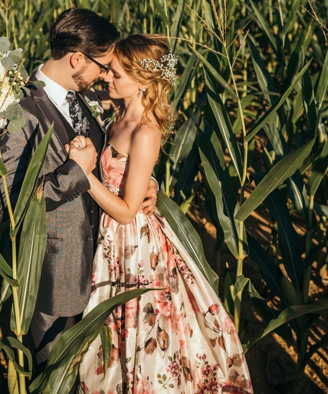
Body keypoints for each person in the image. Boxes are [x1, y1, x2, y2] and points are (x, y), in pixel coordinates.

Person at [76, 34, 254, 394]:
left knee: (136, 324)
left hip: (132, 244)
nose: (107, 77)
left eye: (116, 74)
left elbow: (127, 211)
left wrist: (83, 175)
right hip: (110, 238)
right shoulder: (117, 108)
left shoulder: (146, 132)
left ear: (143, 81)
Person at [0, 9, 159, 372]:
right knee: (55, 376)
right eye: (103, 66)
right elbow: (4, 206)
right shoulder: (17, 111)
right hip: (56, 277)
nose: (105, 75)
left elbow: (122, 145)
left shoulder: (82, 96)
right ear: (78, 59)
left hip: (103, 268)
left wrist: (145, 181)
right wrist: (73, 173)